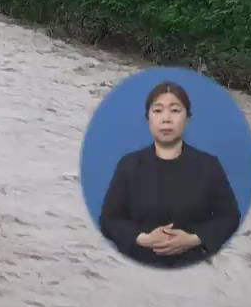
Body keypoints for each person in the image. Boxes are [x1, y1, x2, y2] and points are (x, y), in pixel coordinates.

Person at [98, 81, 241, 268]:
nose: (166, 119)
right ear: (148, 118)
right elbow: (109, 219)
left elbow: (229, 217)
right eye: (157, 111)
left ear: (187, 118)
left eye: (175, 110)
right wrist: (143, 239)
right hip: (136, 265)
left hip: (193, 266)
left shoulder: (208, 166)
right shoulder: (129, 165)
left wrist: (193, 239)